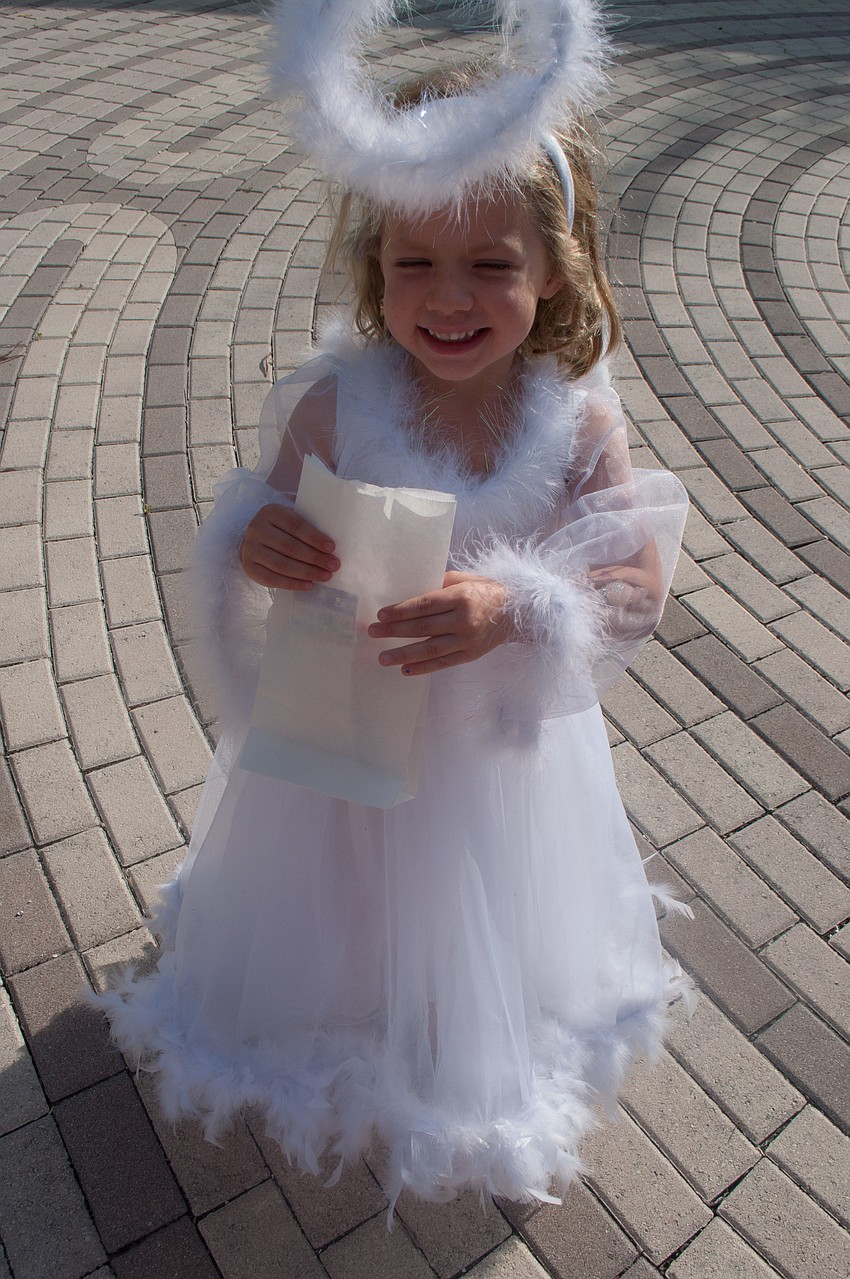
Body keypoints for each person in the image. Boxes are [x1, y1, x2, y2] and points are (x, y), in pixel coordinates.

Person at [97, 1, 691, 1211]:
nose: (448, 297)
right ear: (374, 269)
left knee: (480, 921)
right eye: (413, 262)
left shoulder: (572, 421)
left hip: (494, 774)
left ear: (552, 271)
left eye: (490, 265)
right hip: (346, 752)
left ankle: (465, 1019)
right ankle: (343, 992)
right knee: (349, 906)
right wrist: (258, 541)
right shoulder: (337, 405)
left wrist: (524, 602)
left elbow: (633, 578)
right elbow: (265, 518)